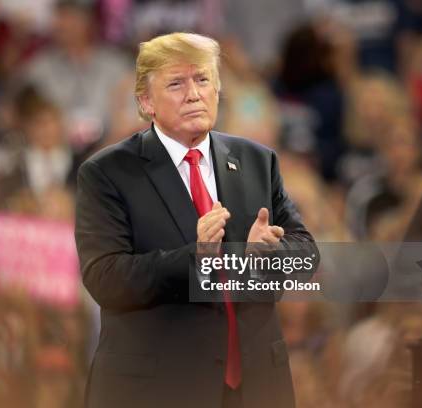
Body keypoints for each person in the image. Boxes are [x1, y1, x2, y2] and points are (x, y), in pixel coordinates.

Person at [75, 32, 316, 408]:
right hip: (158, 389)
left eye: (203, 79)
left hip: (255, 387)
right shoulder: (107, 173)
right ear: (145, 102)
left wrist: (266, 254)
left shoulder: (257, 161)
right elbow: (105, 279)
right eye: (176, 83)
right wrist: (195, 257)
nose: (194, 93)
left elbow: (306, 254)